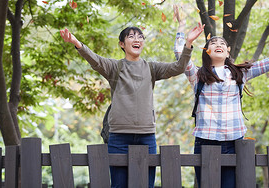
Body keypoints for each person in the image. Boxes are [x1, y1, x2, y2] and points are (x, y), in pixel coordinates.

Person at [173, 6, 269, 188]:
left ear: (228, 51)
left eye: (222, 43)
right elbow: (181, 58)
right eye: (213, 43)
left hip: (234, 142)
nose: (218, 45)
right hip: (205, 141)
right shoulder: (198, 75)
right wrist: (184, 34)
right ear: (207, 52)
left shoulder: (240, 74)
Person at [60, 24, 204, 188]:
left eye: (140, 36)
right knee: (119, 185)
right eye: (131, 36)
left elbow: (178, 67)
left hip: (146, 135)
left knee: (145, 185)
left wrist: (188, 44)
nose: (137, 39)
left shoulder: (151, 68)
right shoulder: (115, 67)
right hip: (119, 136)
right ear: (122, 44)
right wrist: (77, 43)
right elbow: (96, 60)